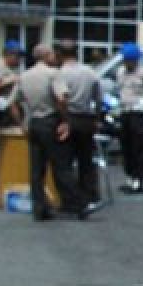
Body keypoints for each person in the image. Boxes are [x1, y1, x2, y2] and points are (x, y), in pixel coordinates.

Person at [10, 44, 95, 221]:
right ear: (46, 56)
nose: (54, 56)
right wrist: (65, 120)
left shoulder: (24, 76)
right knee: (61, 166)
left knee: (36, 169)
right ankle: (80, 203)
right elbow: (61, 98)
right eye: (51, 54)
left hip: (34, 122)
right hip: (50, 121)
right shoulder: (52, 74)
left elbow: (13, 104)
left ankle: (39, 208)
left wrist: (21, 124)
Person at [55, 40, 102, 204]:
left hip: (69, 118)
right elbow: (98, 97)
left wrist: (63, 119)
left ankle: (72, 198)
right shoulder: (89, 71)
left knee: (65, 161)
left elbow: (61, 98)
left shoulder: (60, 73)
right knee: (86, 160)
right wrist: (97, 117)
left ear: (60, 54)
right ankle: (89, 194)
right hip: (86, 119)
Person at [115, 43, 143, 193]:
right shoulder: (120, 72)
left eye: (129, 59)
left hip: (140, 112)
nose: (127, 62)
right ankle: (130, 174)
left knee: (140, 146)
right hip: (125, 111)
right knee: (126, 146)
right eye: (125, 59)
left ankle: (139, 177)